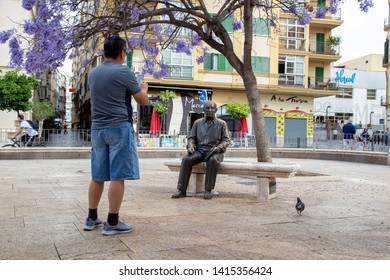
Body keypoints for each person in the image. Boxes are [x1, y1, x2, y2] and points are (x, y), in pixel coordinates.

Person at [83, 35, 149, 236]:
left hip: (97, 129)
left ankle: (91, 217)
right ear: (122, 53)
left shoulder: (93, 73)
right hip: (119, 128)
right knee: (118, 175)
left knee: (98, 175)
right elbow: (142, 100)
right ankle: (112, 222)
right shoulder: (124, 71)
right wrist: (144, 88)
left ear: (104, 52)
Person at [171, 100, 230, 200]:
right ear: (203, 110)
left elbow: (226, 140)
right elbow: (191, 137)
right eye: (207, 108)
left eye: (212, 108)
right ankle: (181, 190)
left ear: (216, 110)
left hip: (214, 152)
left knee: (212, 160)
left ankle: (208, 190)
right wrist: (190, 145)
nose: (210, 110)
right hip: (200, 151)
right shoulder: (197, 123)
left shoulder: (222, 124)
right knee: (186, 159)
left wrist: (219, 148)